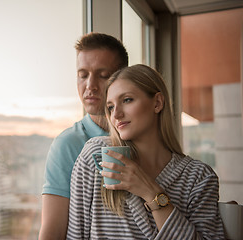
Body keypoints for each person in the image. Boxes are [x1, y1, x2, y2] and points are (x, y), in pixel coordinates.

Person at [67, 64, 225, 239]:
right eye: (110, 107)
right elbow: (76, 235)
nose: (116, 114)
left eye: (127, 100)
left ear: (157, 103)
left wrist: (151, 193)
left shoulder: (198, 177)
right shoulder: (97, 156)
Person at [39, 33, 129, 239]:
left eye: (103, 75)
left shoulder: (140, 136)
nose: (90, 85)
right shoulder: (68, 144)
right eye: (83, 74)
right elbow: (52, 232)